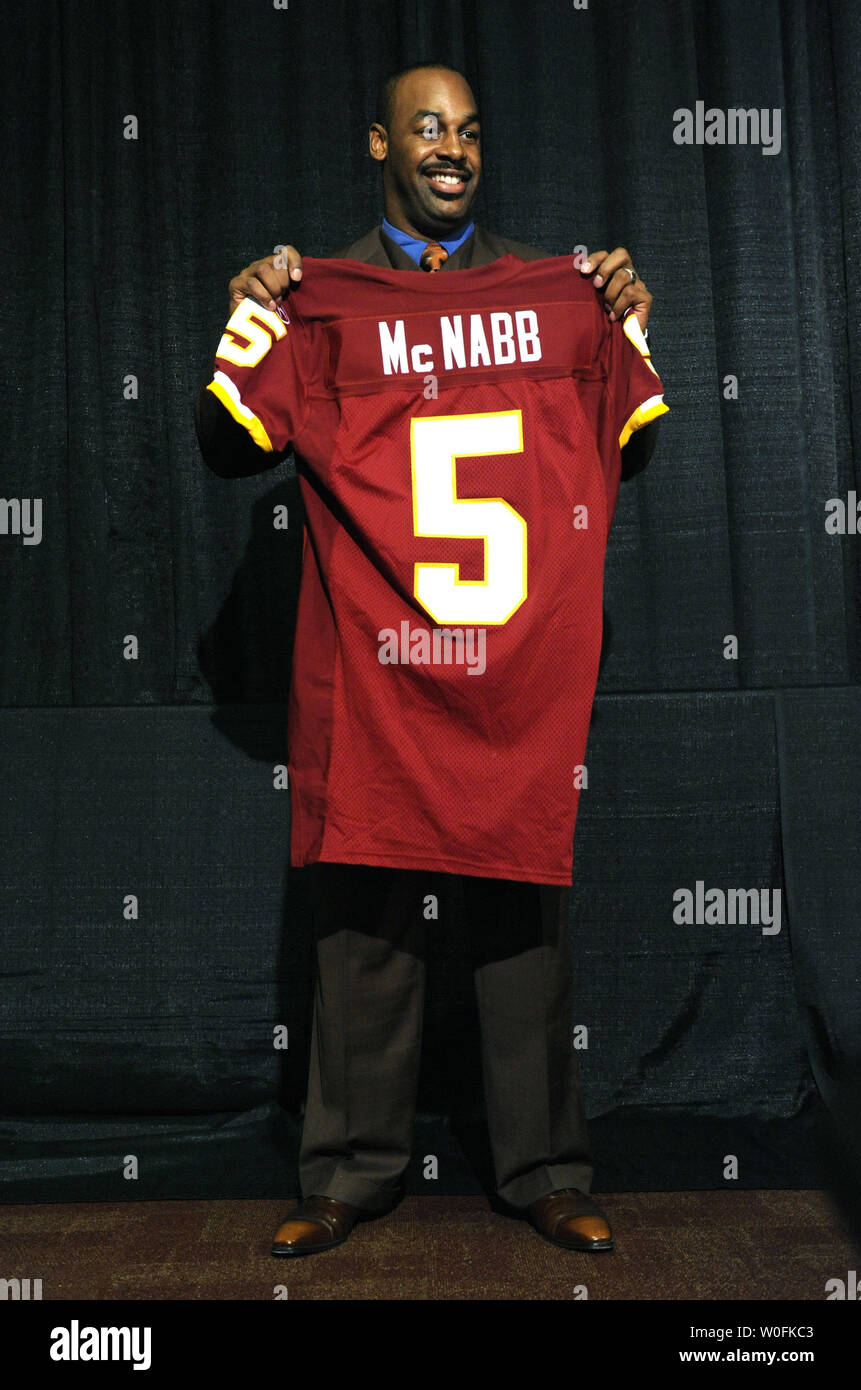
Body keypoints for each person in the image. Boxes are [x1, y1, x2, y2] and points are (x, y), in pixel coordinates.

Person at [195, 63, 664, 1258]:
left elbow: (632, 453)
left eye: (466, 129)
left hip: (508, 677)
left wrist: (623, 314)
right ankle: (347, 1173)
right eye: (426, 126)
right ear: (380, 145)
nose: (450, 145)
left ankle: (547, 1168)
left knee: (523, 928)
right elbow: (221, 441)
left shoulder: (562, 293)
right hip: (374, 670)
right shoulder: (319, 297)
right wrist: (255, 309)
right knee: (361, 928)